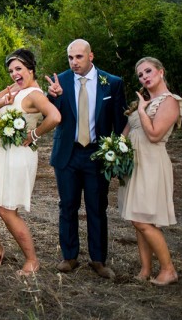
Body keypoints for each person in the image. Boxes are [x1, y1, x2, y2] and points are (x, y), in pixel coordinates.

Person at [0, 49, 60, 276]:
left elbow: (55, 116)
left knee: (6, 210)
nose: (14, 74)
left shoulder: (34, 94)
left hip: (17, 154)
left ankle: (32, 260)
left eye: (18, 69)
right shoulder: (16, 89)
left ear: (31, 69)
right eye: (11, 70)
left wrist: (35, 135)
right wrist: (5, 98)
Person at [46, 39, 126, 279]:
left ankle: (98, 260)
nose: (74, 63)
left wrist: (117, 151)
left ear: (91, 56)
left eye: (79, 57)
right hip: (67, 154)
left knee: (97, 207)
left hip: (97, 154)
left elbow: (120, 123)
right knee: (67, 205)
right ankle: (69, 256)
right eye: (70, 58)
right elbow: (50, 114)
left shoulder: (111, 83)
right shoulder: (59, 81)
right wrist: (53, 97)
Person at [118, 56, 182, 286]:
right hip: (133, 165)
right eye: (140, 75)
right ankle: (145, 269)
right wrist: (114, 153)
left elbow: (154, 134)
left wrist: (144, 110)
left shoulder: (170, 101)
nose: (144, 77)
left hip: (152, 164)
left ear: (161, 72)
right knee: (137, 218)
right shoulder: (142, 102)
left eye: (148, 71)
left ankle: (168, 270)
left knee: (144, 220)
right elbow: (125, 134)